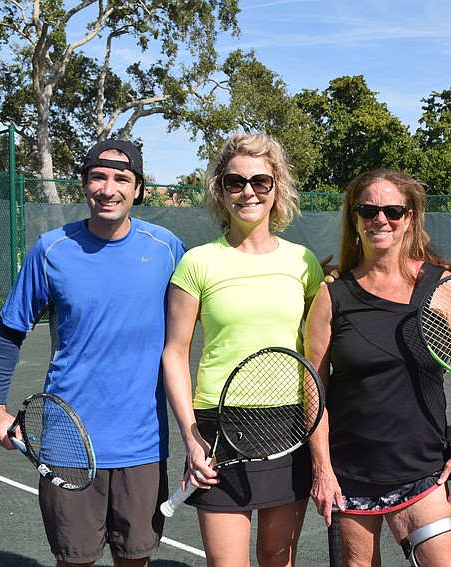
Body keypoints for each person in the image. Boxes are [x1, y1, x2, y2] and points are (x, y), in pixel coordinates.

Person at [0, 139, 186, 567]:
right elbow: (9, 331)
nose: (108, 188)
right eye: (98, 176)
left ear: (138, 190)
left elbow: (211, 307)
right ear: (84, 184)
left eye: (121, 178)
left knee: (135, 560)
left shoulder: (167, 247)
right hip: (67, 442)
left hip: (143, 443)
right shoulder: (51, 249)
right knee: (74, 560)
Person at [161, 132, 325, 567]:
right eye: (235, 182)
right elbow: (174, 353)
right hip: (219, 425)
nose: (248, 191)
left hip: (289, 423)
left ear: (278, 188)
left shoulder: (302, 263)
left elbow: (318, 347)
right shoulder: (197, 262)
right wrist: (191, 436)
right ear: (220, 189)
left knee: (277, 557)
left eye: (261, 181)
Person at [304, 169, 451, 567]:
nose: (380, 219)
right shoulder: (332, 295)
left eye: (392, 210)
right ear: (355, 219)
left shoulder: (442, 285)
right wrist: (322, 469)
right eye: (367, 210)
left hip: (423, 472)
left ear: (411, 217)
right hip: (349, 475)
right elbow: (314, 389)